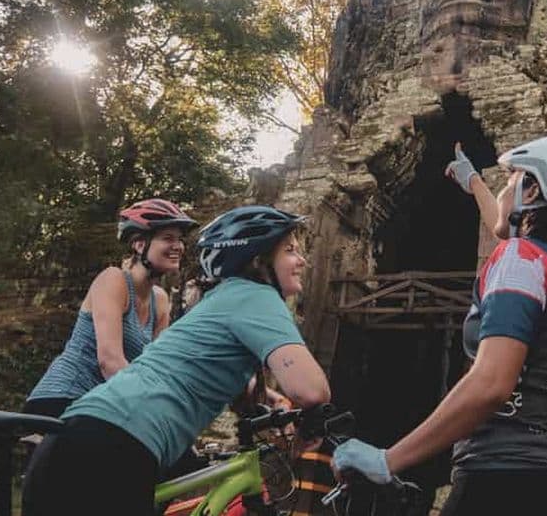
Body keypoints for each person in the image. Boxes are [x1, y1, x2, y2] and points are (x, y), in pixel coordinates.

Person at [332, 136, 547, 516]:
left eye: (510, 181)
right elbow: (510, 229)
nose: (503, 190)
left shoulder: (522, 258)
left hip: (503, 478)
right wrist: (475, 183)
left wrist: (388, 460)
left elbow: (491, 384)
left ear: (533, 190)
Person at [22, 205, 331, 516]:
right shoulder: (258, 296)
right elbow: (311, 390)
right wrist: (311, 424)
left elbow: (209, 376)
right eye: (290, 250)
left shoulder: (218, 300)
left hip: (78, 438)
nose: (302, 260)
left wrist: (269, 402)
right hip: (113, 444)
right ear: (257, 260)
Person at [23, 198, 198, 418]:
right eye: (168, 238)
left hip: (104, 406)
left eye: (180, 240)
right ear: (139, 244)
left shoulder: (160, 299)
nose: (178, 246)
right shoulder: (114, 280)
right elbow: (109, 361)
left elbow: (156, 366)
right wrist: (154, 406)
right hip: (62, 399)